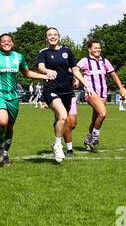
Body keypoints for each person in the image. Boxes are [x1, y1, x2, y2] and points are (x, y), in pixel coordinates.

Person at [0, 33, 56, 166]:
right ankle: (1, 146)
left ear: (12, 43)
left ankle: (5, 152)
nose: (6, 43)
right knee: (3, 122)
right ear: (0, 44)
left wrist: (44, 75)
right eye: (3, 41)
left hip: (13, 96)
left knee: (10, 126)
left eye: (8, 41)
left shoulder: (18, 57)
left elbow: (27, 73)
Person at [35, 27, 87, 163]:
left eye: (55, 34)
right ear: (46, 38)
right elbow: (40, 67)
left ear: (59, 36)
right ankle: (58, 145)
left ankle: (57, 143)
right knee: (63, 116)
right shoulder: (44, 53)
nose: (53, 37)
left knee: (65, 120)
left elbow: (75, 69)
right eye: (49, 35)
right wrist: (47, 70)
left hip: (67, 91)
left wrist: (85, 84)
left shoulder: (67, 51)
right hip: (51, 89)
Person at [75, 40, 126, 152]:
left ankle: (88, 141)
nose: (98, 50)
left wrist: (121, 88)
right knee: (103, 114)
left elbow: (113, 75)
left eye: (99, 48)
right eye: (95, 48)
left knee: (95, 119)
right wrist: (77, 80)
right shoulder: (85, 61)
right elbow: (75, 70)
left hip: (103, 94)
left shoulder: (104, 61)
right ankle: (95, 136)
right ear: (89, 49)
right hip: (91, 93)